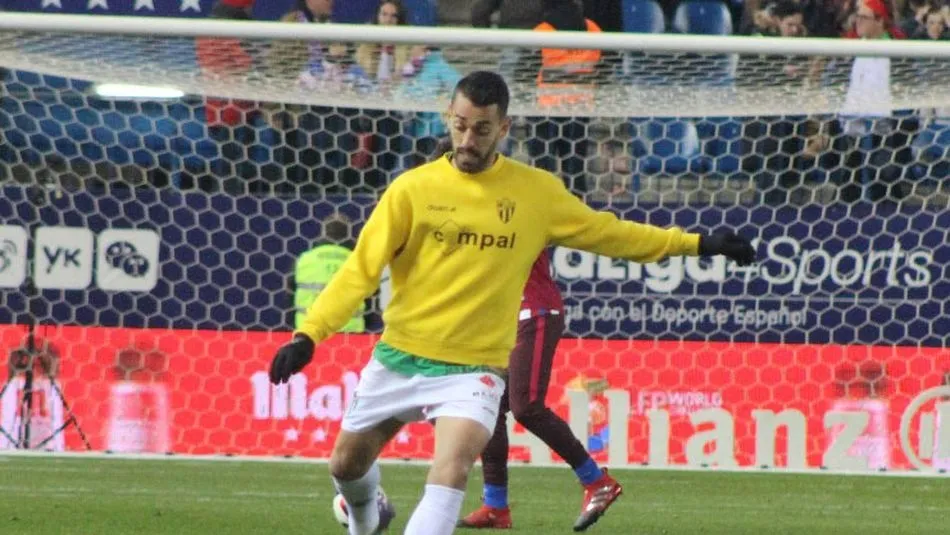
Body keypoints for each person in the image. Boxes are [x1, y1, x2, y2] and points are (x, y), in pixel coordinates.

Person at [269, 71, 756, 535]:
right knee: (345, 465)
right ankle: (368, 514)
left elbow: (611, 234)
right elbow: (359, 270)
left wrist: (698, 244)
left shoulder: (535, 193)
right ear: (448, 118)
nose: (467, 140)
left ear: (503, 128)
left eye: (481, 130)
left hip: (475, 368)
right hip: (399, 356)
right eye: (460, 126)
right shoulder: (412, 190)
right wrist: (309, 334)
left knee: (452, 467)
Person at [458, 246, 620, 531]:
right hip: (503, 317)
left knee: (527, 406)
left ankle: (597, 482)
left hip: (535, 311)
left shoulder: (517, 218)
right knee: (488, 404)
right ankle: (495, 507)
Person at [290, 214, 365, 333]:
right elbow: (371, 297)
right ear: (350, 234)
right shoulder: (358, 261)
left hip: (309, 332)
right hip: (350, 332)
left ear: (323, 233)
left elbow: (290, 295)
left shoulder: (305, 259)